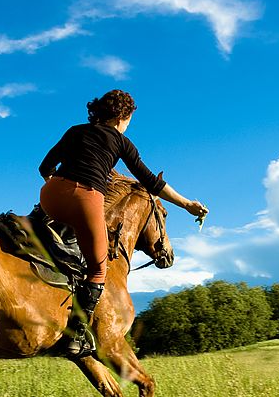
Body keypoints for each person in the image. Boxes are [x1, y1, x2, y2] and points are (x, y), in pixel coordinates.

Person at [38, 89, 208, 356]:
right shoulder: (121, 141)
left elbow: (44, 167)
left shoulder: (75, 130)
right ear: (123, 117)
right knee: (98, 268)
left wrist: (59, 191)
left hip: (50, 195)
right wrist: (188, 204)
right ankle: (76, 335)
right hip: (85, 197)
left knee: (55, 230)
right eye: (129, 119)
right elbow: (152, 182)